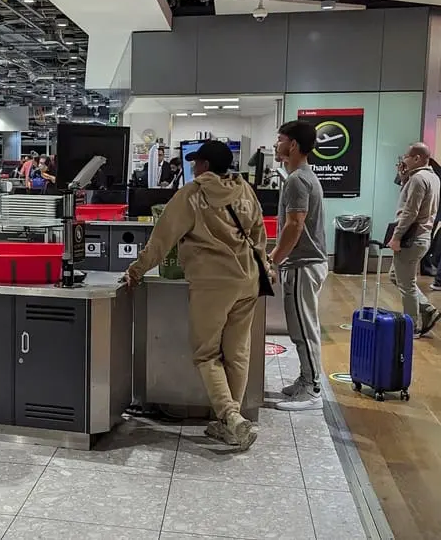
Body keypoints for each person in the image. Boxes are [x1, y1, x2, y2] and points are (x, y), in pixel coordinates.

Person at [123, 140, 270, 450]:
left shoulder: (193, 194)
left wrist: (136, 270)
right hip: (248, 280)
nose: (192, 166)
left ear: (203, 165)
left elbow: (163, 238)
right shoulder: (245, 190)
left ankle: (231, 417)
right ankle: (231, 422)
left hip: (213, 284)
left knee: (206, 353)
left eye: (195, 162)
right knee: (238, 353)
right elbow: (260, 235)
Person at [269, 121, 328, 411]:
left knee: (305, 328)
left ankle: (313, 389)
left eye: (280, 139)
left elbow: (294, 226)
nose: (276, 144)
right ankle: (306, 379)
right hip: (302, 264)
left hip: (305, 263)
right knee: (298, 327)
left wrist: (273, 259)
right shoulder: (300, 176)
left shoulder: (297, 180)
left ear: (292, 145)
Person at [388, 142, 441, 338]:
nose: (404, 160)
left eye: (407, 157)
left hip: (412, 238)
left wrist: (396, 237)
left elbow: (410, 212)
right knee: (396, 276)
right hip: (422, 237)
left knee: (407, 283)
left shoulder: (418, 179)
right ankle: (427, 309)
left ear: (417, 158)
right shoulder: (432, 177)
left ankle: (411, 328)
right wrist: (404, 179)